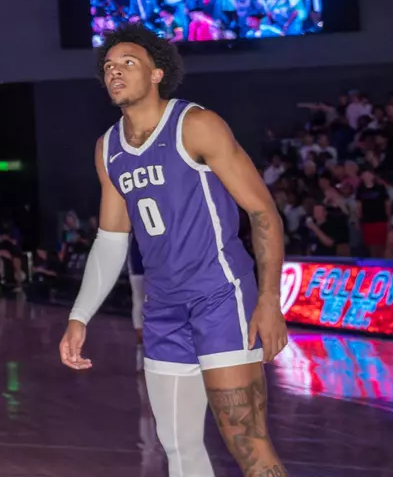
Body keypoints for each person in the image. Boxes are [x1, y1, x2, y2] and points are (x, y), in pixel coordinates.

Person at [61, 24, 291, 477]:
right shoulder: (108, 149)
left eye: (128, 63)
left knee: (248, 444)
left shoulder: (197, 125)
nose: (115, 72)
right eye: (109, 66)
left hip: (221, 297)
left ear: (157, 74)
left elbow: (264, 213)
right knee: (179, 448)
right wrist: (79, 316)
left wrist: (269, 299)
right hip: (163, 308)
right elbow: (111, 240)